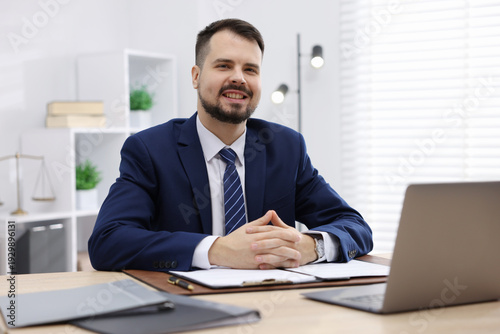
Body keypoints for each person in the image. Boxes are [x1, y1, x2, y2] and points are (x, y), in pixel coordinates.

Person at [88, 18, 373, 272]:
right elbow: (108, 241)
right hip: (187, 308)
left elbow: (355, 226)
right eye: (224, 65)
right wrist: (218, 250)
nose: (239, 77)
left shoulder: (287, 148)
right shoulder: (150, 150)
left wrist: (311, 246)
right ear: (196, 76)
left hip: (277, 305)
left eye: (251, 69)